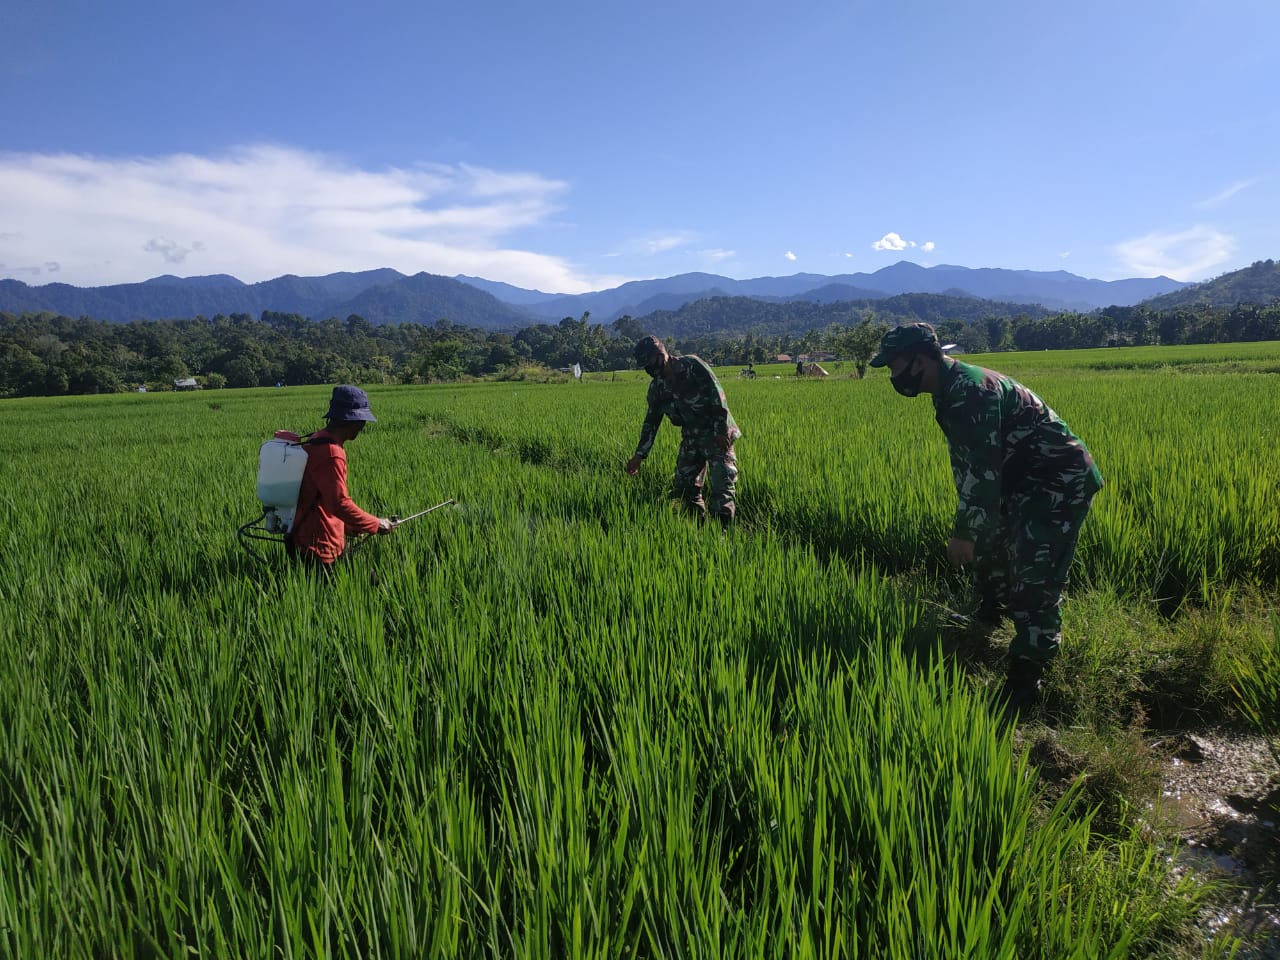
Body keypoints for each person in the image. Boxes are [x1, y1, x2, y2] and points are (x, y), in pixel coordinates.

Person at [869, 322, 1103, 716]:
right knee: (990, 547)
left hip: (1056, 483)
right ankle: (991, 613)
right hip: (1020, 482)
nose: (892, 375)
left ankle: (1028, 677)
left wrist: (964, 532)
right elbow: (972, 468)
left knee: (1034, 576)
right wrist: (975, 527)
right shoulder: (949, 388)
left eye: (894, 365)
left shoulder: (971, 393)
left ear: (919, 360)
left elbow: (982, 471)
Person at [625, 335, 741, 527]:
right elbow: (651, 423)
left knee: (722, 486)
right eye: (644, 366)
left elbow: (717, 395)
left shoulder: (692, 365)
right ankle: (698, 527)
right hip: (692, 436)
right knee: (685, 487)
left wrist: (722, 431)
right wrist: (639, 455)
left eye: (649, 362)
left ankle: (722, 533)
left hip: (716, 433)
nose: (648, 368)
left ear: (660, 354)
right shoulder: (657, 388)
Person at [287, 385, 393, 567]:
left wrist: (349, 525)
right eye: (361, 420)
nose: (363, 426)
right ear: (350, 420)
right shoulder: (331, 452)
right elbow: (338, 503)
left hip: (304, 536)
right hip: (319, 546)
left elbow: (319, 496)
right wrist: (375, 523)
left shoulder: (317, 439)